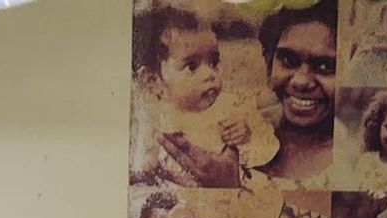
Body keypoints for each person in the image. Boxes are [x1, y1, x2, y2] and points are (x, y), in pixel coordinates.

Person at [131, 5, 275, 189]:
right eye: (192, 66)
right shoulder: (151, 121)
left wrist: (247, 136)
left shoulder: (232, 108)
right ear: (153, 80)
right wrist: (147, 164)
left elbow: (267, 156)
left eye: (213, 62)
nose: (210, 74)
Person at [256, 1, 339, 188]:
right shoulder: (243, 132)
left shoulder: (360, 158)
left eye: (325, 66)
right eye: (288, 60)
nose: (300, 81)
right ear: (268, 60)